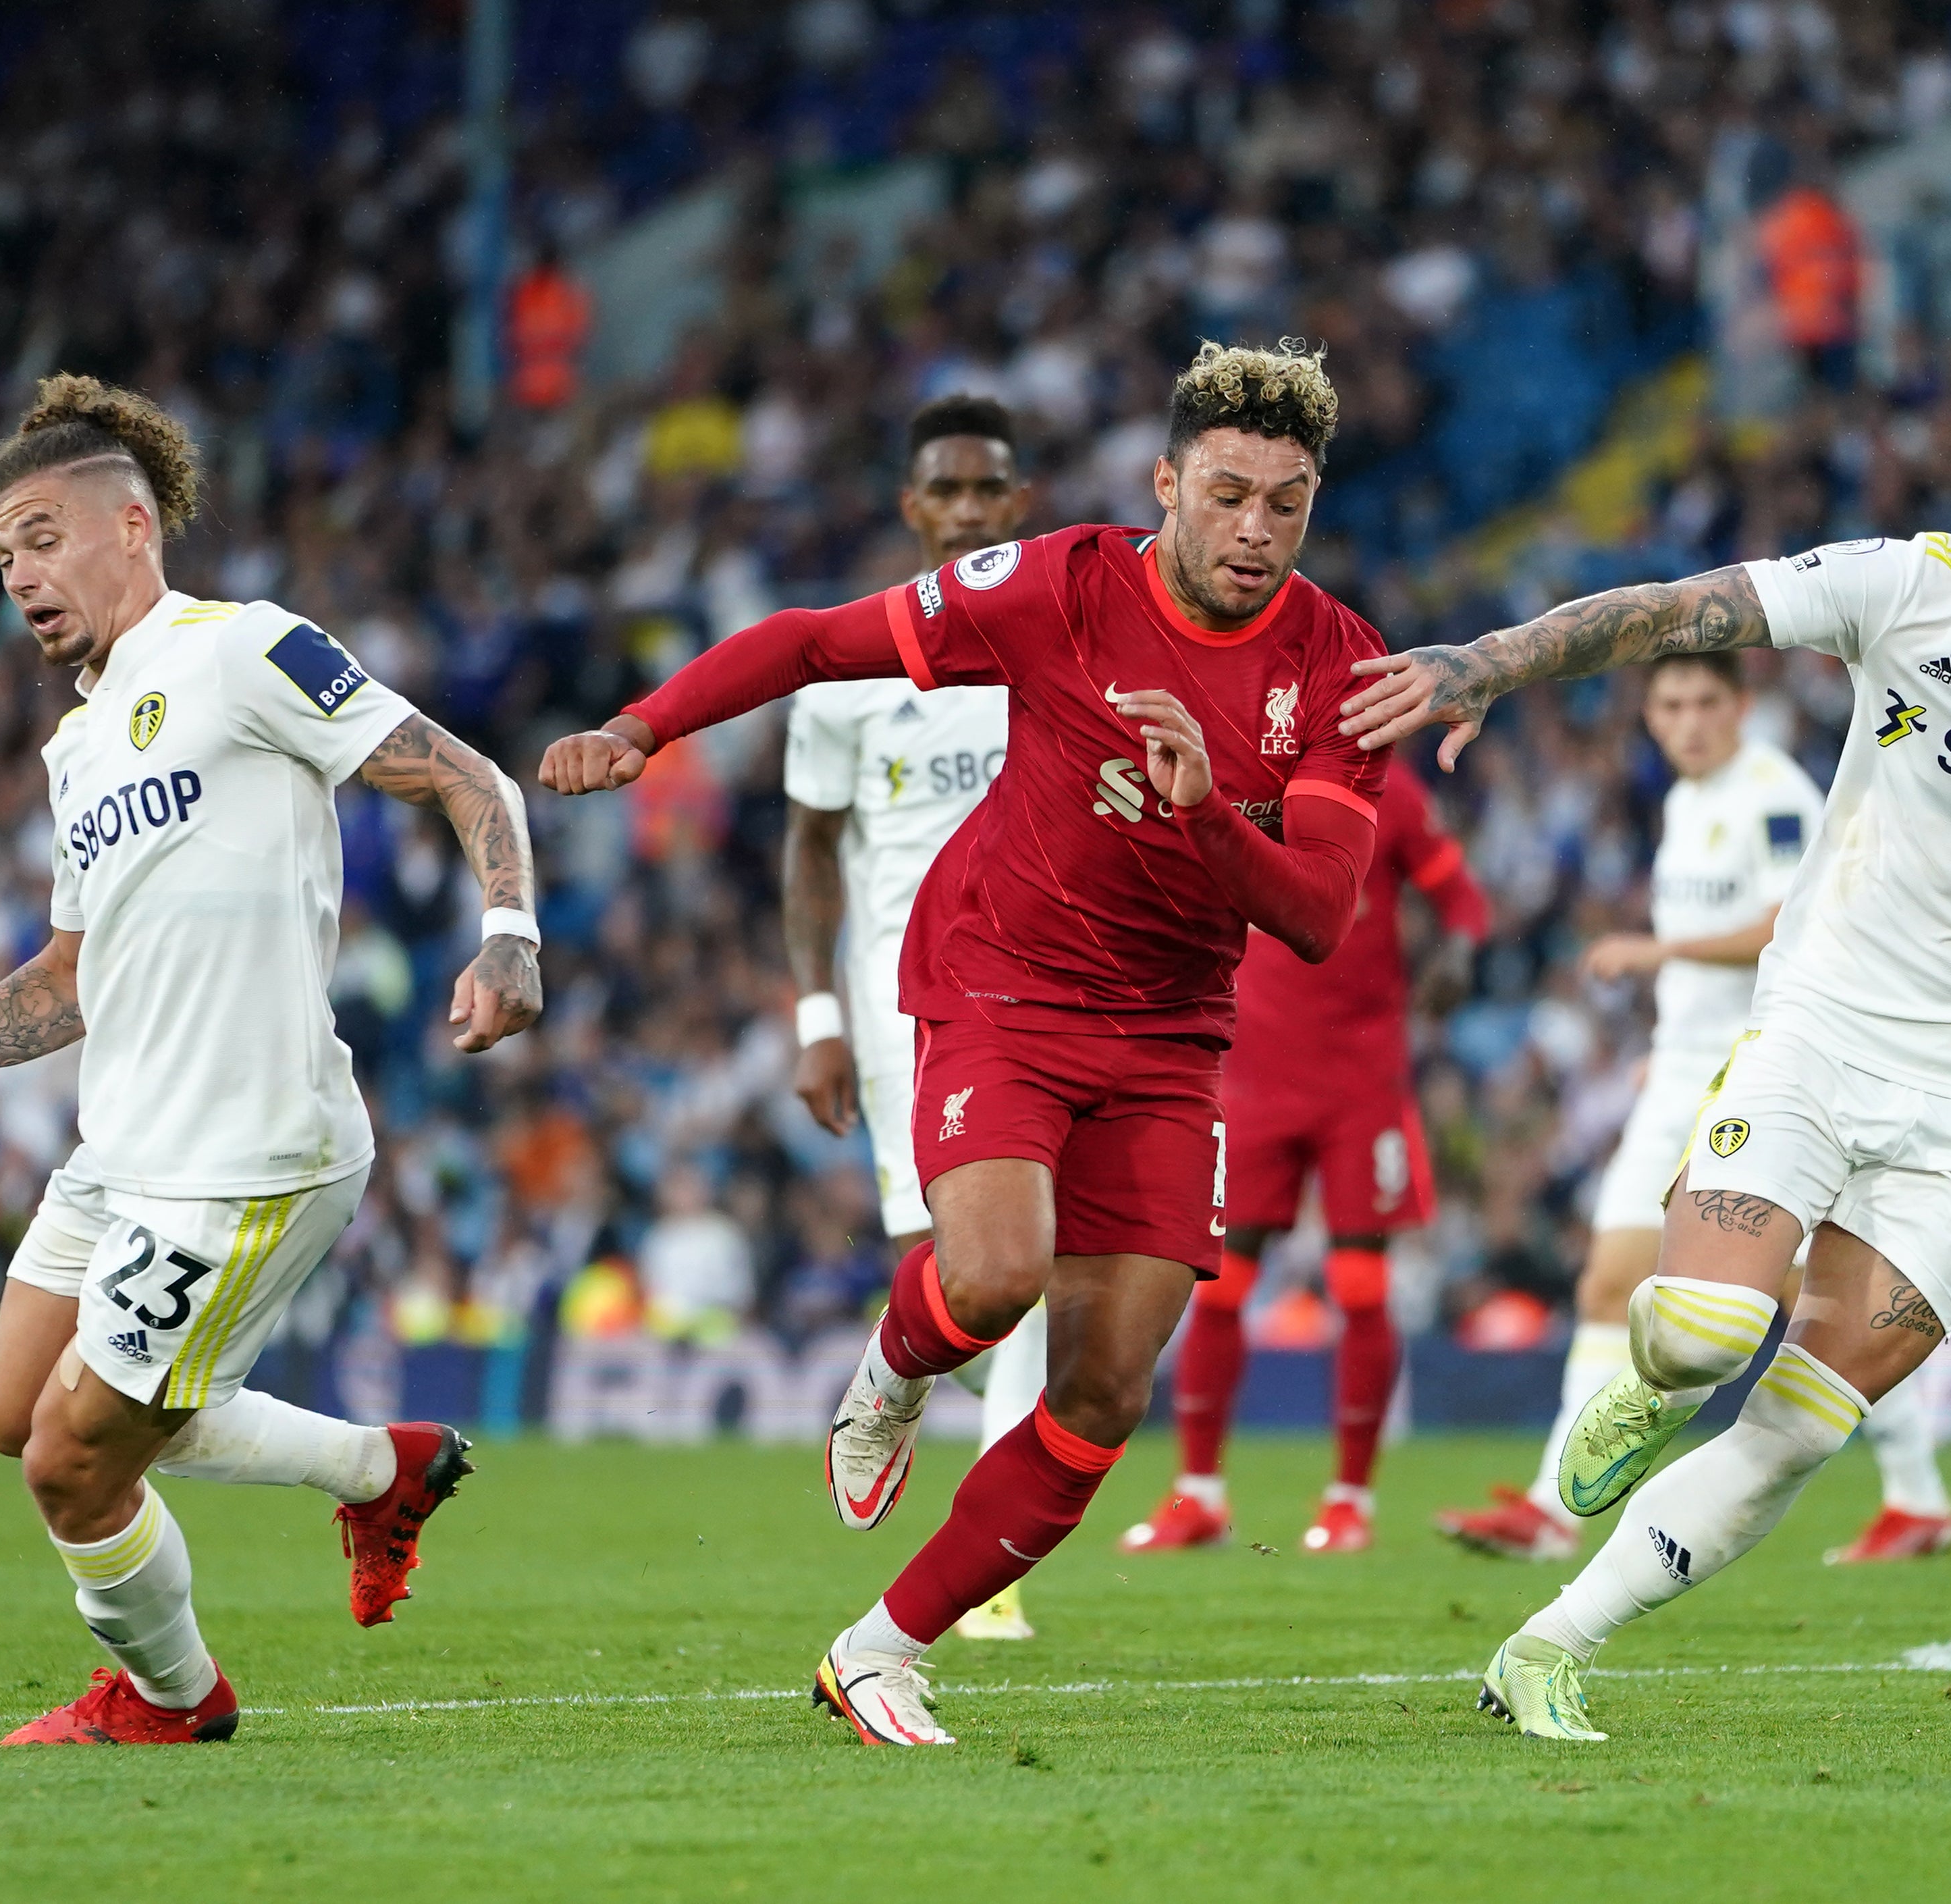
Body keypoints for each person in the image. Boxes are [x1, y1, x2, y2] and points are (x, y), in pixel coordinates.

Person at [1343, 328, 1951, 1741]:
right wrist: (1491, 662)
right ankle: (1646, 1383)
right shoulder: (1913, 583)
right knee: (1705, 1331)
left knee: (1799, 1435)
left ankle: (1546, 1646)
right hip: (1823, 1025)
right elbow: (1681, 609)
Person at [541, 339, 1391, 1747]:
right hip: (1002, 980)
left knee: (1104, 1394)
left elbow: (1315, 916)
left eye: (1284, 505)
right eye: (1227, 494)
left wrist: (1198, 815)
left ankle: (878, 1651)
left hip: (1174, 1033)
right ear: (1164, 485)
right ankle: (890, 1374)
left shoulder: (1339, 660)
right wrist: (646, 725)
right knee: (991, 1277)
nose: (1253, 531)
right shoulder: (1056, 583)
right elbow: (817, 640)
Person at [0, 375, 543, 1744]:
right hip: (123, 1146)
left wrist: (508, 935)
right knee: (16, 1410)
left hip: (246, 1155)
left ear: (134, 525)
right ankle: (377, 1468)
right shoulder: (81, 743)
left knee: (72, 1470)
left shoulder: (244, 651)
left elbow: (465, 774)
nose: (18, 575)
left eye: (40, 537)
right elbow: (70, 974)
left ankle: (171, 1699)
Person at [1434, 653, 1823, 1563]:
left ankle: (1917, 1493)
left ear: (1741, 706)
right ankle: (1549, 1509)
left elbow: (1786, 926)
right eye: (1668, 706)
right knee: (1607, 1281)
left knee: (1811, 1294)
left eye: (1703, 703)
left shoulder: (1774, 794)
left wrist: (1655, 953)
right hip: (1680, 1067)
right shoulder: (1686, 802)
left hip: (1759, 1073)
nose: (1687, 722)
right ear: (1648, 718)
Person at [780, 391, 1047, 1641]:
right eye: (942, 492)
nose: (962, 513)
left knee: (1042, 1275)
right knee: (973, 1279)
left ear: (1018, 506)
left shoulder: (1054, 640)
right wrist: (817, 1013)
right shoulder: (847, 667)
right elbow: (809, 848)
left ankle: (984, 1569)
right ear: (910, 508)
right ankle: (905, 1393)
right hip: (904, 1001)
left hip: (1057, 985)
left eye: (984, 491)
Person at [1121, 755, 1486, 1556]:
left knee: (1359, 1283)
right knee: (1220, 1283)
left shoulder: (1390, 792)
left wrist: (1456, 958)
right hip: (1251, 1075)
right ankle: (1199, 1494)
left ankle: (1350, 1500)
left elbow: (1462, 902)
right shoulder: (1222, 780)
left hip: (1361, 1076)